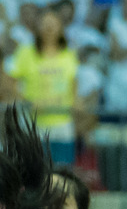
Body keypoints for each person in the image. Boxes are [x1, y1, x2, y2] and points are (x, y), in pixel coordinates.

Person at [7, 9, 79, 165]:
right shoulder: (25, 52)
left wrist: (74, 103)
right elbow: (10, 83)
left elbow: (74, 83)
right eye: (45, 24)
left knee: (62, 170)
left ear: (61, 28)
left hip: (62, 122)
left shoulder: (69, 54)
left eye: (53, 25)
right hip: (33, 123)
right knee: (33, 169)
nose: (49, 29)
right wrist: (26, 101)